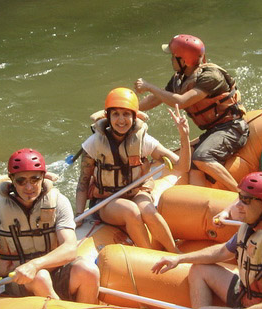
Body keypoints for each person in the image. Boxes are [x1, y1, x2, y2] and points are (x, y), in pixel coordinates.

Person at [151, 172, 262, 309]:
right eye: (240, 198)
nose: (239, 206)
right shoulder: (256, 225)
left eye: (247, 200)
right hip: (251, 295)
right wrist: (179, 258)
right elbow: (223, 252)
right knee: (199, 269)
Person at [0, 148, 99, 303]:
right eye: (21, 181)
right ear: (12, 179)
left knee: (88, 270)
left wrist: (35, 265)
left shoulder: (59, 202)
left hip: (54, 271)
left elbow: (70, 248)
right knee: (40, 277)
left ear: (43, 177)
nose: (29, 187)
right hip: (17, 279)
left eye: (34, 179)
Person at [75, 87, 191, 253]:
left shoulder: (143, 140)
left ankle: (175, 253)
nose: (121, 120)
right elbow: (83, 181)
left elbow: (182, 167)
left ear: (134, 117)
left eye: (126, 114)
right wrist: (79, 214)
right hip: (106, 201)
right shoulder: (94, 143)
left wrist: (184, 136)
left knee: (149, 211)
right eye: (116, 114)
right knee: (131, 211)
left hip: (135, 192)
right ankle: (150, 256)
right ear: (108, 117)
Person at [135, 34, 248, 191]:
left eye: (174, 57)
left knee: (202, 157)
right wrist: (130, 109)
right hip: (214, 131)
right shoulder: (180, 78)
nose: (171, 60)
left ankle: (240, 193)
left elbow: (181, 101)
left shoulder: (211, 77)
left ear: (184, 60)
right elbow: (157, 98)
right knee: (193, 164)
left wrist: (148, 86)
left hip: (232, 128)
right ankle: (201, 201)